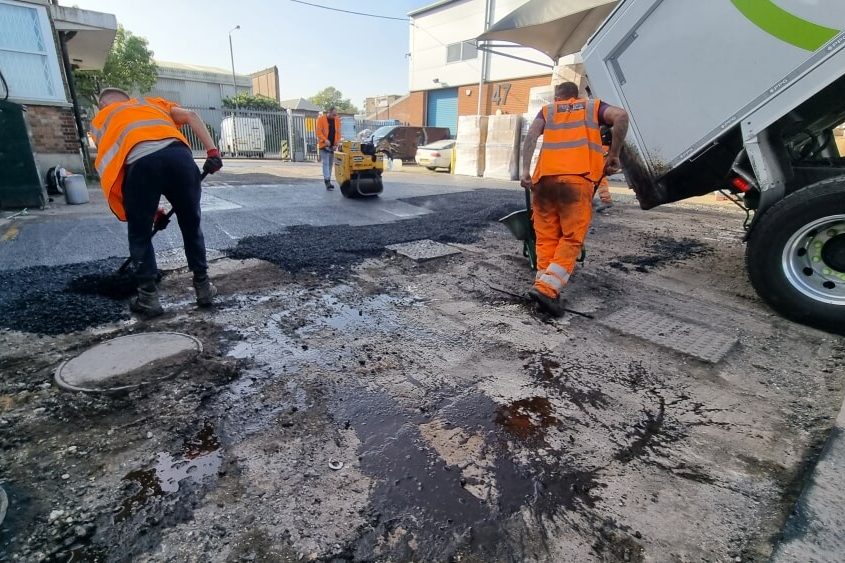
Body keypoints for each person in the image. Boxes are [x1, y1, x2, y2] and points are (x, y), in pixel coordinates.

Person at [90, 87, 223, 318]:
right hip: (180, 158)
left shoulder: (102, 120)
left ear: (102, 106)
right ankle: (203, 290)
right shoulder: (152, 104)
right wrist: (212, 152)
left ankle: (148, 298)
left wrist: (148, 214)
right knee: (191, 225)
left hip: (140, 165)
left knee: (139, 233)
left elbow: (115, 173)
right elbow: (191, 115)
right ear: (129, 100)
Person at [520, 81, 629, 315]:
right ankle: (547, 290)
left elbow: (531, 135)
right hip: (575, 180)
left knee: (546, 236)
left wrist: (525, 170)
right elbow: (620, 116)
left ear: (557, 97)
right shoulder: (592, 108)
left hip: (543, 181)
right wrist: (613, 155)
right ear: (575, 95)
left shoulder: (548, 110)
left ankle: (543, 285)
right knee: (571, 237)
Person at [316, 106, 342, 190]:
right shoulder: (321, 119)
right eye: (333, 114)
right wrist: (325, 140)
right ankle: (327, 181)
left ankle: (328, 180)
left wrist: (336, 144)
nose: (335, 116)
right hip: (324, 145)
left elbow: (338, 133)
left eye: (336, 114)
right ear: (329, 112)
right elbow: (318, 133)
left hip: (332, 146)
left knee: (330, 164)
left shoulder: (337, 120)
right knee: (326, 163)